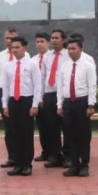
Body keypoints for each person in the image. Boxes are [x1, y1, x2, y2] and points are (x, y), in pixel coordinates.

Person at [1, 36, 42, 176]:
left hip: (26, 101)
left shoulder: (32, 65)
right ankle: (17, 164)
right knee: (14, 133)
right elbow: (6, 87)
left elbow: (37, 86)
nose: (15, 50)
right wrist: (5, 105)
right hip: (13, 101)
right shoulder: (8, 66)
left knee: (26, 133)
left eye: (18, 47)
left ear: (24, 48)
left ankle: (26, 164)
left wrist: (35, 104)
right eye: (13, 47)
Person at [57, 37, 96, 177]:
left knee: (83, 135)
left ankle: (84, 164)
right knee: (70, 135)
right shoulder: (64, 66)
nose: (71, 51)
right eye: (69, 49)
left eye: (74, 48)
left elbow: (92, 86)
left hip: (82, 102)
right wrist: (59, 105)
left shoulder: (88, 65)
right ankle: (74, 164)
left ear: (81, 49)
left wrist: (91, 105)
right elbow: (60, 87)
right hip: (68, 103)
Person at [38, 29, 66, 167]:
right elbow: (43, 76)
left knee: (66, 127)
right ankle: (55, 155)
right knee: (51, 127)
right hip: (49, 94)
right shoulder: (47, 56)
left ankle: (68, 156)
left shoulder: (68, 55)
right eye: (52, 38)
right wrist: (41, 96)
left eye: (57, 38)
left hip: (64, 94)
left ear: (63, 40)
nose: (54, 40)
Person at [0, 28, 18, 168]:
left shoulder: (25, 55)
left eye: (11, 38)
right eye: (7, 38)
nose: (9, 41)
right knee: (8, 127)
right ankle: (12, 157)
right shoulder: (0, 56)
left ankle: (22, 157)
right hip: (3, 92)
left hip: (18, 92)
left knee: (19, 127)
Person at [33, 32, 52, 162]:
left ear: (48, 43)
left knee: (52, 126)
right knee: (42, 127)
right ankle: (45, 151)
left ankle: (55, 153)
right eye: (37, 42)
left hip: (49, 95)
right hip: (37, 97)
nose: (39, 44)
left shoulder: (52, 57)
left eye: (42, 41)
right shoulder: (32, 60)